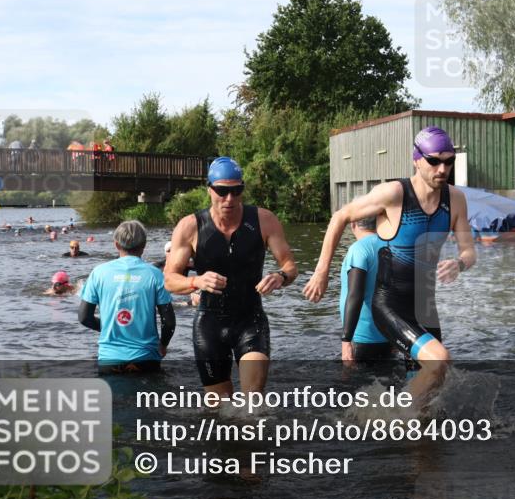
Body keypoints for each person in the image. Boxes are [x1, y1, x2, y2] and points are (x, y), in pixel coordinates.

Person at [304, 126, 476, 404]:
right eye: (434, 161)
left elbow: (469, 251)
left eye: (448, 161)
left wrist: (459, 263)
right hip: (390, 306)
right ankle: (394, 414)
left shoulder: (455, 199)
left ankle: (400, 423)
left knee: (430, 390)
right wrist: (321, 271)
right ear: (416, 159)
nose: (442, 169)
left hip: (425, 308)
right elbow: (340, 216)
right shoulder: (395, 193)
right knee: (439, 360)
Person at [164, 156, 297, 398]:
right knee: (219, 408)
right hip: (209, 324)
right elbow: (169, 280)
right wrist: (196, 281)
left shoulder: (264, 220)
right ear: (209, 189)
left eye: (236, 191)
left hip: (250, 320)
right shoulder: (189, 227)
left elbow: (290, 266)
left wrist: (280, 276)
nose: (229, 199)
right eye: (222, 191)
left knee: (253, 400)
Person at [78, 220, 176, 375]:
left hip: (109, 359)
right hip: (146, 358)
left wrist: (108, 327)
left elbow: (84, 317)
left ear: (116, 244)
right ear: (144, 245)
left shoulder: (98, 273)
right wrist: (163, 345)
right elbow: (169, 322)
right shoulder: (155, 275)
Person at [340, 217, 392, 363]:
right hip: (390, 335)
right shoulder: (391, 246)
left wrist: (346, 340)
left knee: (356, 377)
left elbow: (355, 295)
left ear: (353, 224)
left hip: (362, 337)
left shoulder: (359, 249)